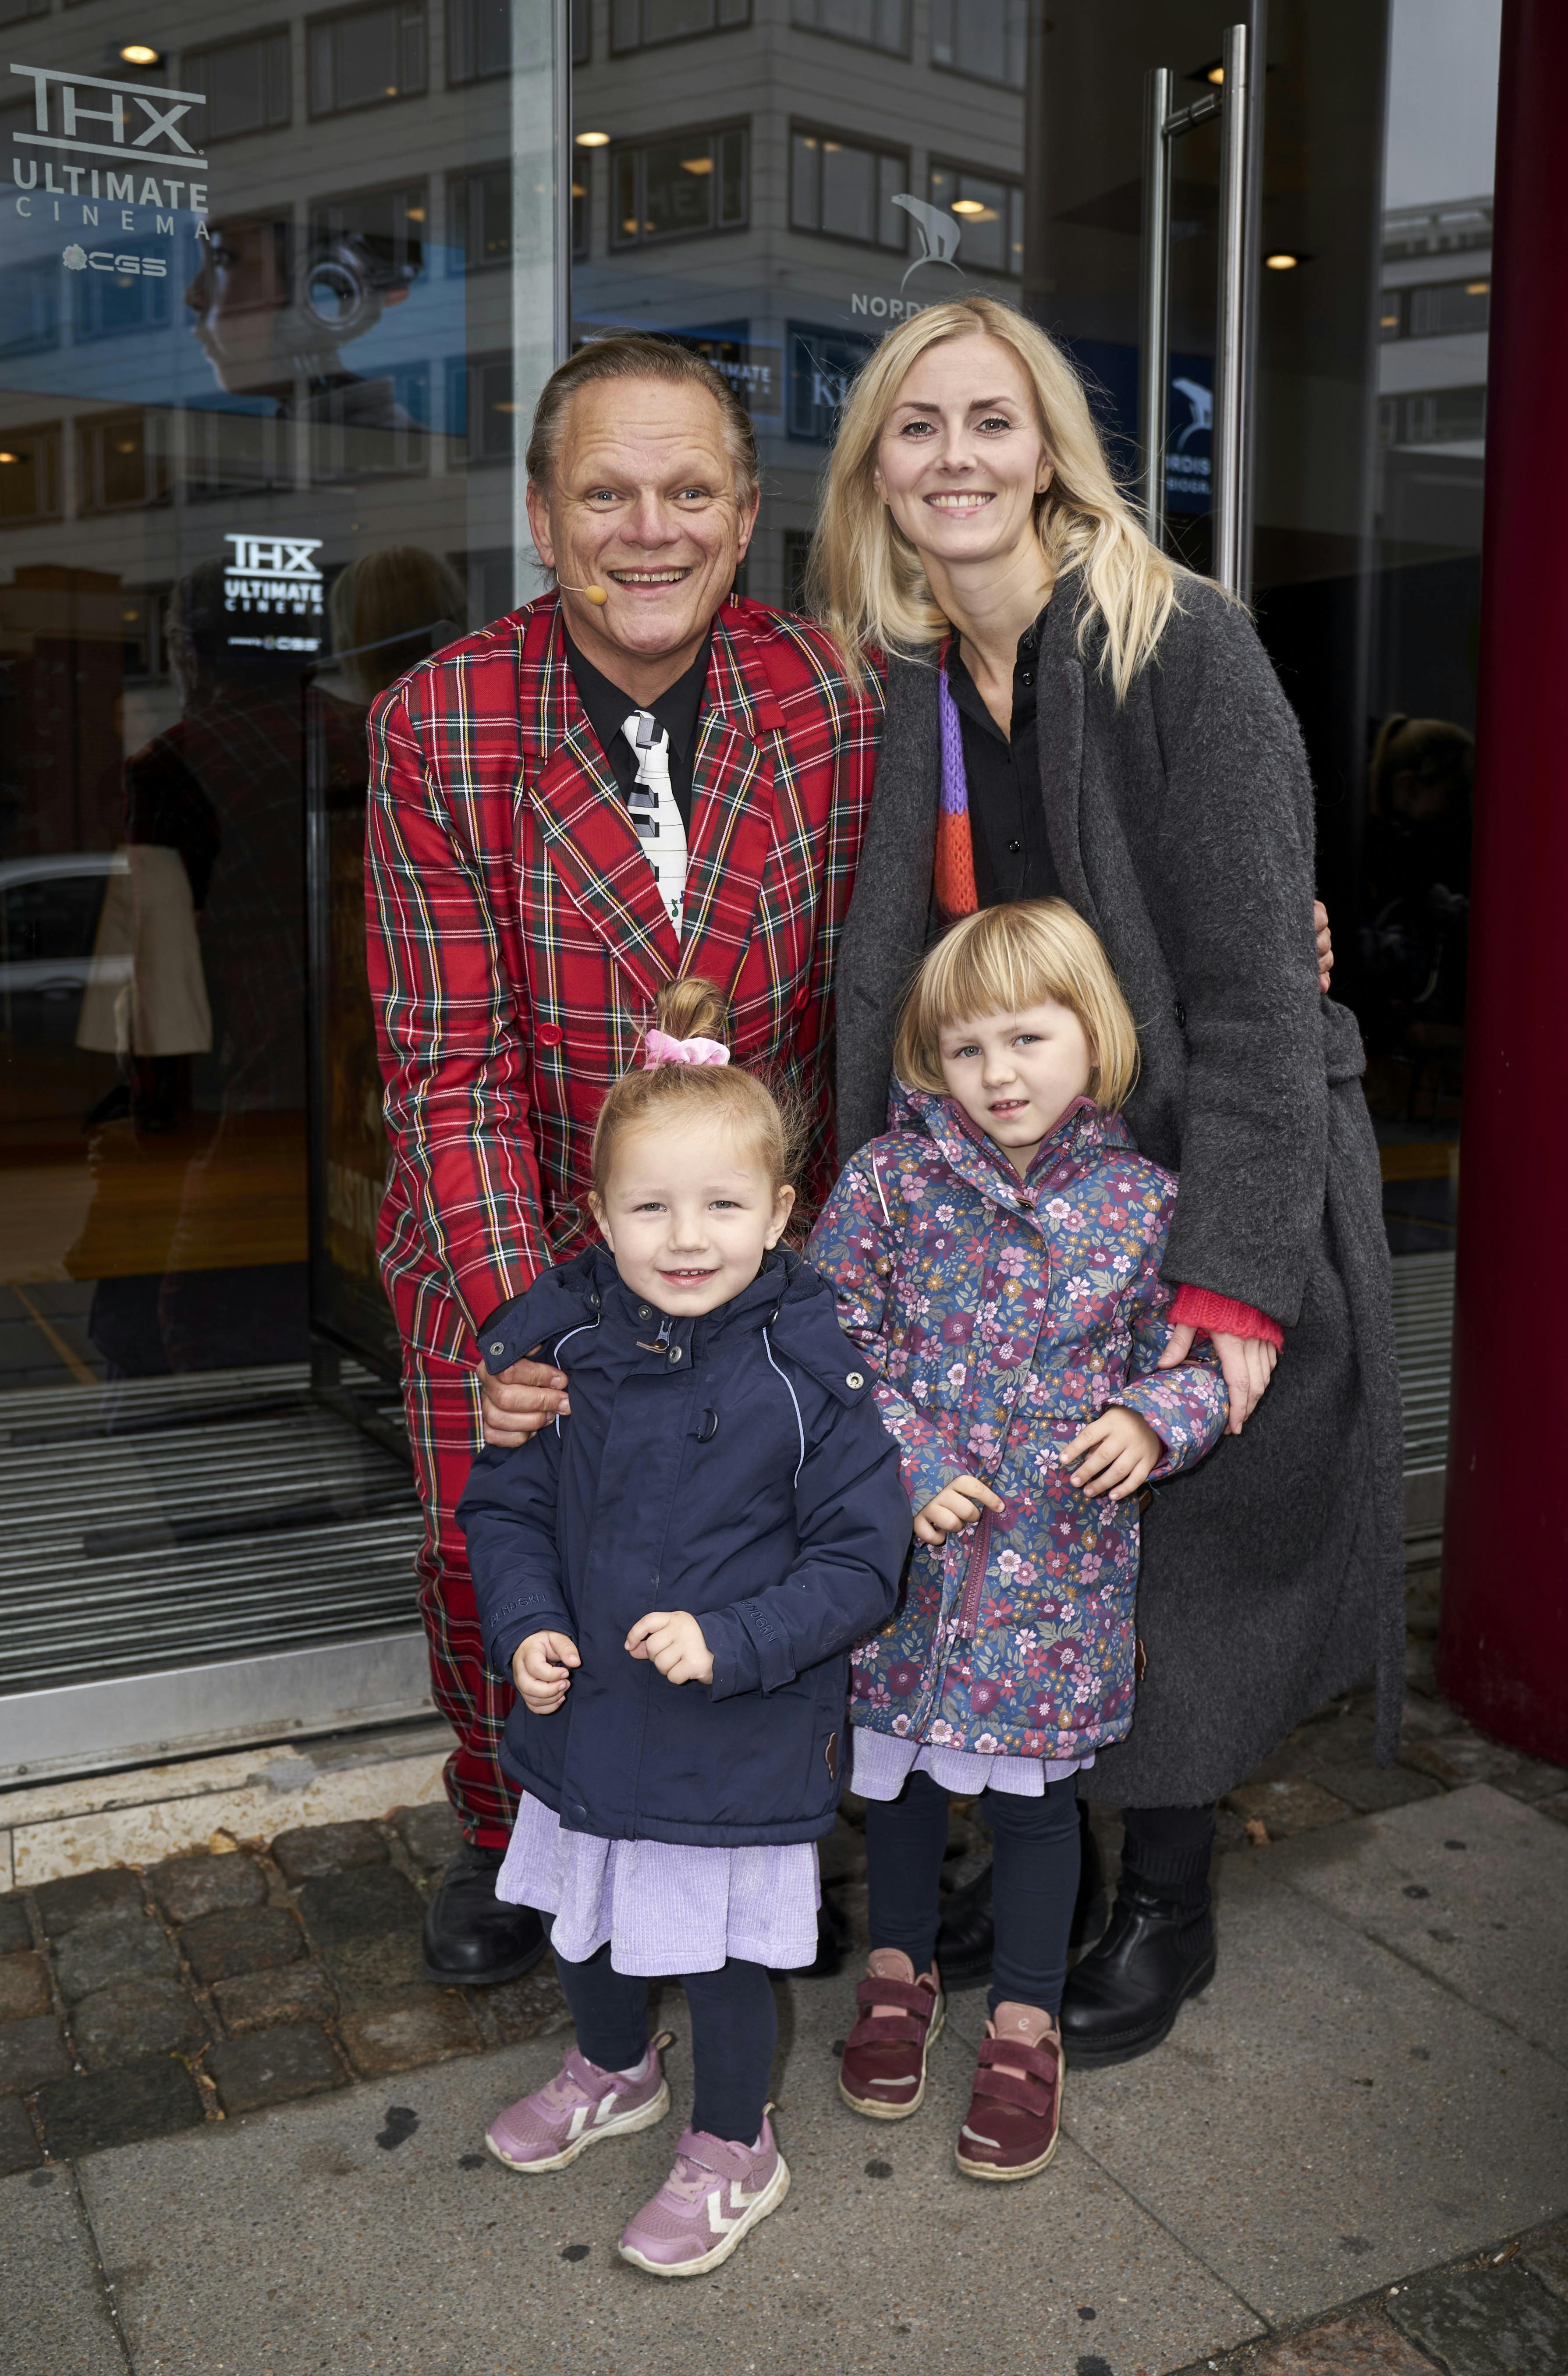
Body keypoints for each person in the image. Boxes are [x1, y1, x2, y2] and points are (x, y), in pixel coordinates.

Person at [815, 294, 1403, 2066]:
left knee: (1188, 1536)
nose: (957, 461)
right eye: (917, 431)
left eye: (993, 422)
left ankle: (1163, 1894)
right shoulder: (905, 677)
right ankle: (1039, 1845)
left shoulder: (1180, 644)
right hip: (1004, 1184)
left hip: (1215, 1165)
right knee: (1010, 1524)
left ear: (1053, 447)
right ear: (875, 474)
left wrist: (1232, 1286)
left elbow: (1247, 992)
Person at [365, 336, 881, 1987]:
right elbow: (443, 1070)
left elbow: (945, 934)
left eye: (686, 493)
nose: (642, 530)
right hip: (509, 1234)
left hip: (758, 1241)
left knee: (771, 1557)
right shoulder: (438, 725)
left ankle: (767, 1831)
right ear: (540, 516)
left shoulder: (845, 696)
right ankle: (498, 1822)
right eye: (604, 492)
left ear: (742, 522)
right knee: (490, 1550)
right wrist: (534, 1324)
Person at [458, 979, 909, 2274]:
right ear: (599, 1218)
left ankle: (732, 2142)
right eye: (650, 1206)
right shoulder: (570, 1351)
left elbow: (862, 1562)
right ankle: (612, 2066)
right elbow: (508, 1508)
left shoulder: (813, 1372)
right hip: (585, 1712)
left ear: (779, 1213)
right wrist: (526, 1626)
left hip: (736, 1735)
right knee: (580, 1915)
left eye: (722, 1205)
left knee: (714, 1956)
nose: (686, 1236)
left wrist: (737, 1639)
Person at [809, 901, 1227, 2176]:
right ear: (931, 1059)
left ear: (1091, 1041)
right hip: (907, 1570)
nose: (998, 1074)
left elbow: (1206, 1358)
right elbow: (829, 1337)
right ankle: (899, 1973)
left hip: (1057, 1574)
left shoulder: (1145, 1202)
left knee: (1041, 1816)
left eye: (1027, 1040)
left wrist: (1157, 1422)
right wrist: (911, 1461)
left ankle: (1027, 2022)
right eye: (968, 1048)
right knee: (902, 1792)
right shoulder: (888, 1179)